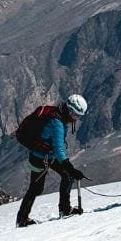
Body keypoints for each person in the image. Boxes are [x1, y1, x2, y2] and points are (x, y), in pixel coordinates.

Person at [16, 94, 89, 227]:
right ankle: (22, 219)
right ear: (70, 111)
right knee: (36, 188)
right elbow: (59, 150)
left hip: (45, 155)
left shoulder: (58, 115)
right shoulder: (57, 124)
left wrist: (69, 170)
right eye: (76, 115)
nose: (76, 119)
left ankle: (65, 209)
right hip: (40, 157)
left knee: (66, 176)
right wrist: (71, 168)